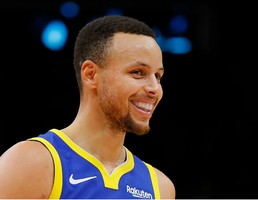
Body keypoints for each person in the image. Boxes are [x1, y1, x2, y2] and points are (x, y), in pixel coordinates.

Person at [0, 15, 176, 199]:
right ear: (91, 74)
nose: (154, 88)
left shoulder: (160, 188)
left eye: (158, 76)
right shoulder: (31, 163)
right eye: (138, 72)